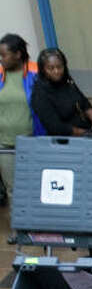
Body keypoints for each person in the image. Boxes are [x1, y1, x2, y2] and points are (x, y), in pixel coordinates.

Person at [0, 34, 43, 199]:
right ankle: (20, 225)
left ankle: (39, 224)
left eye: (4, 55)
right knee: (13, 191)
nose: (1, 59)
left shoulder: (36, 72)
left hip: (31, 140)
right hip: (4, 144)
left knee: (36, 186)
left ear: (18, 54)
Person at [30, 49, 92, 138]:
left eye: (60, 67)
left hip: (88, 131)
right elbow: (57, 127)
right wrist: (88, 133)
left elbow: (83, 102)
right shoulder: (39, 94)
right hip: (67, 140)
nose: (56, 71)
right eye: (51, 68)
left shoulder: (66, 80)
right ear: (43, 70)